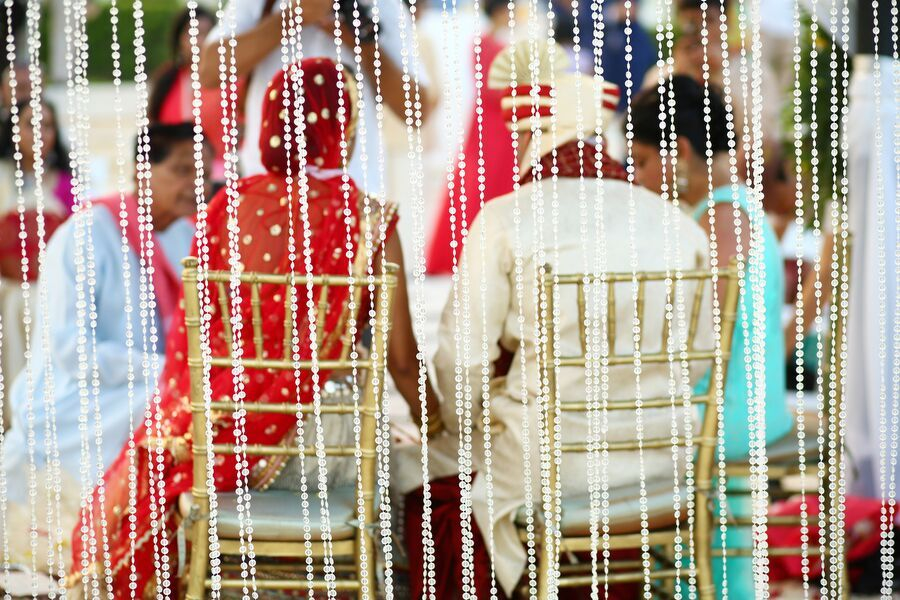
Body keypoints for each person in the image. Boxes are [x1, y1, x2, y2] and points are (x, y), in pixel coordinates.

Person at [68, 58, 441, 599]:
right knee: (410, 475)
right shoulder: (368, 218)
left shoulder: (226, 207)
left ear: (270, 124)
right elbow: (402, 362)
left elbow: (196, 341)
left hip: (226, 431)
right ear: (342, 129)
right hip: (329, 442)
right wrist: (437, 424)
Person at [400, 41, 713, 598]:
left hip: (550, 472)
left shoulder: (505, 220)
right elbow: (700, 357)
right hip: (663, 470)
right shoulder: (679, 226)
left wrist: (462, 426)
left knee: (423, 474)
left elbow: (462, 363)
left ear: (529, 136)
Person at [1, 122, 203, 572]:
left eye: (203, 171)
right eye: (182, 169)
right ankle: (120, 551)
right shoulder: (87, 234)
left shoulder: (187, 238)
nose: (197, 183)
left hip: (140, 387)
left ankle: (170, 547)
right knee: (177, 406)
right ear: (140, 171)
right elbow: (74, 353)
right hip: (75, 399)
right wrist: (169, 372)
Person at [630, 74, 790, 598]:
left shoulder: (720, 220)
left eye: (644, 161)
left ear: (677, 151)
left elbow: (697, 338)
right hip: (747, 405)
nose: (639, 177)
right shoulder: (733, 208)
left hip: (723, 417)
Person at [198, 0, 433, 194]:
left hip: (352, 190)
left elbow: (416, 110)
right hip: (267, 191)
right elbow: (209, 71)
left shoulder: (381, 4)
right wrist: (293, 17)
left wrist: (356, 38)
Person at [425, 0, 516, 274]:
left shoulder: (495, 41)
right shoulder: (485, 43)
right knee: (481, 181)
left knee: (493, 181)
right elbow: (490, 87)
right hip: (493, 120)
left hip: (500, 119)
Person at [0, 99, 74, 427]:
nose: (40, 133)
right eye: (31, 125)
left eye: (47, 125)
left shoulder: (67, 184)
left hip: (51, 290)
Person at [147, 6, 230, 182]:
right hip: (174, 179)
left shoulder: (231, 79)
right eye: (194, 33)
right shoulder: (167, 80)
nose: (201, 41)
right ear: (180, 40)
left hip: (220, 178)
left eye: (208, 33)